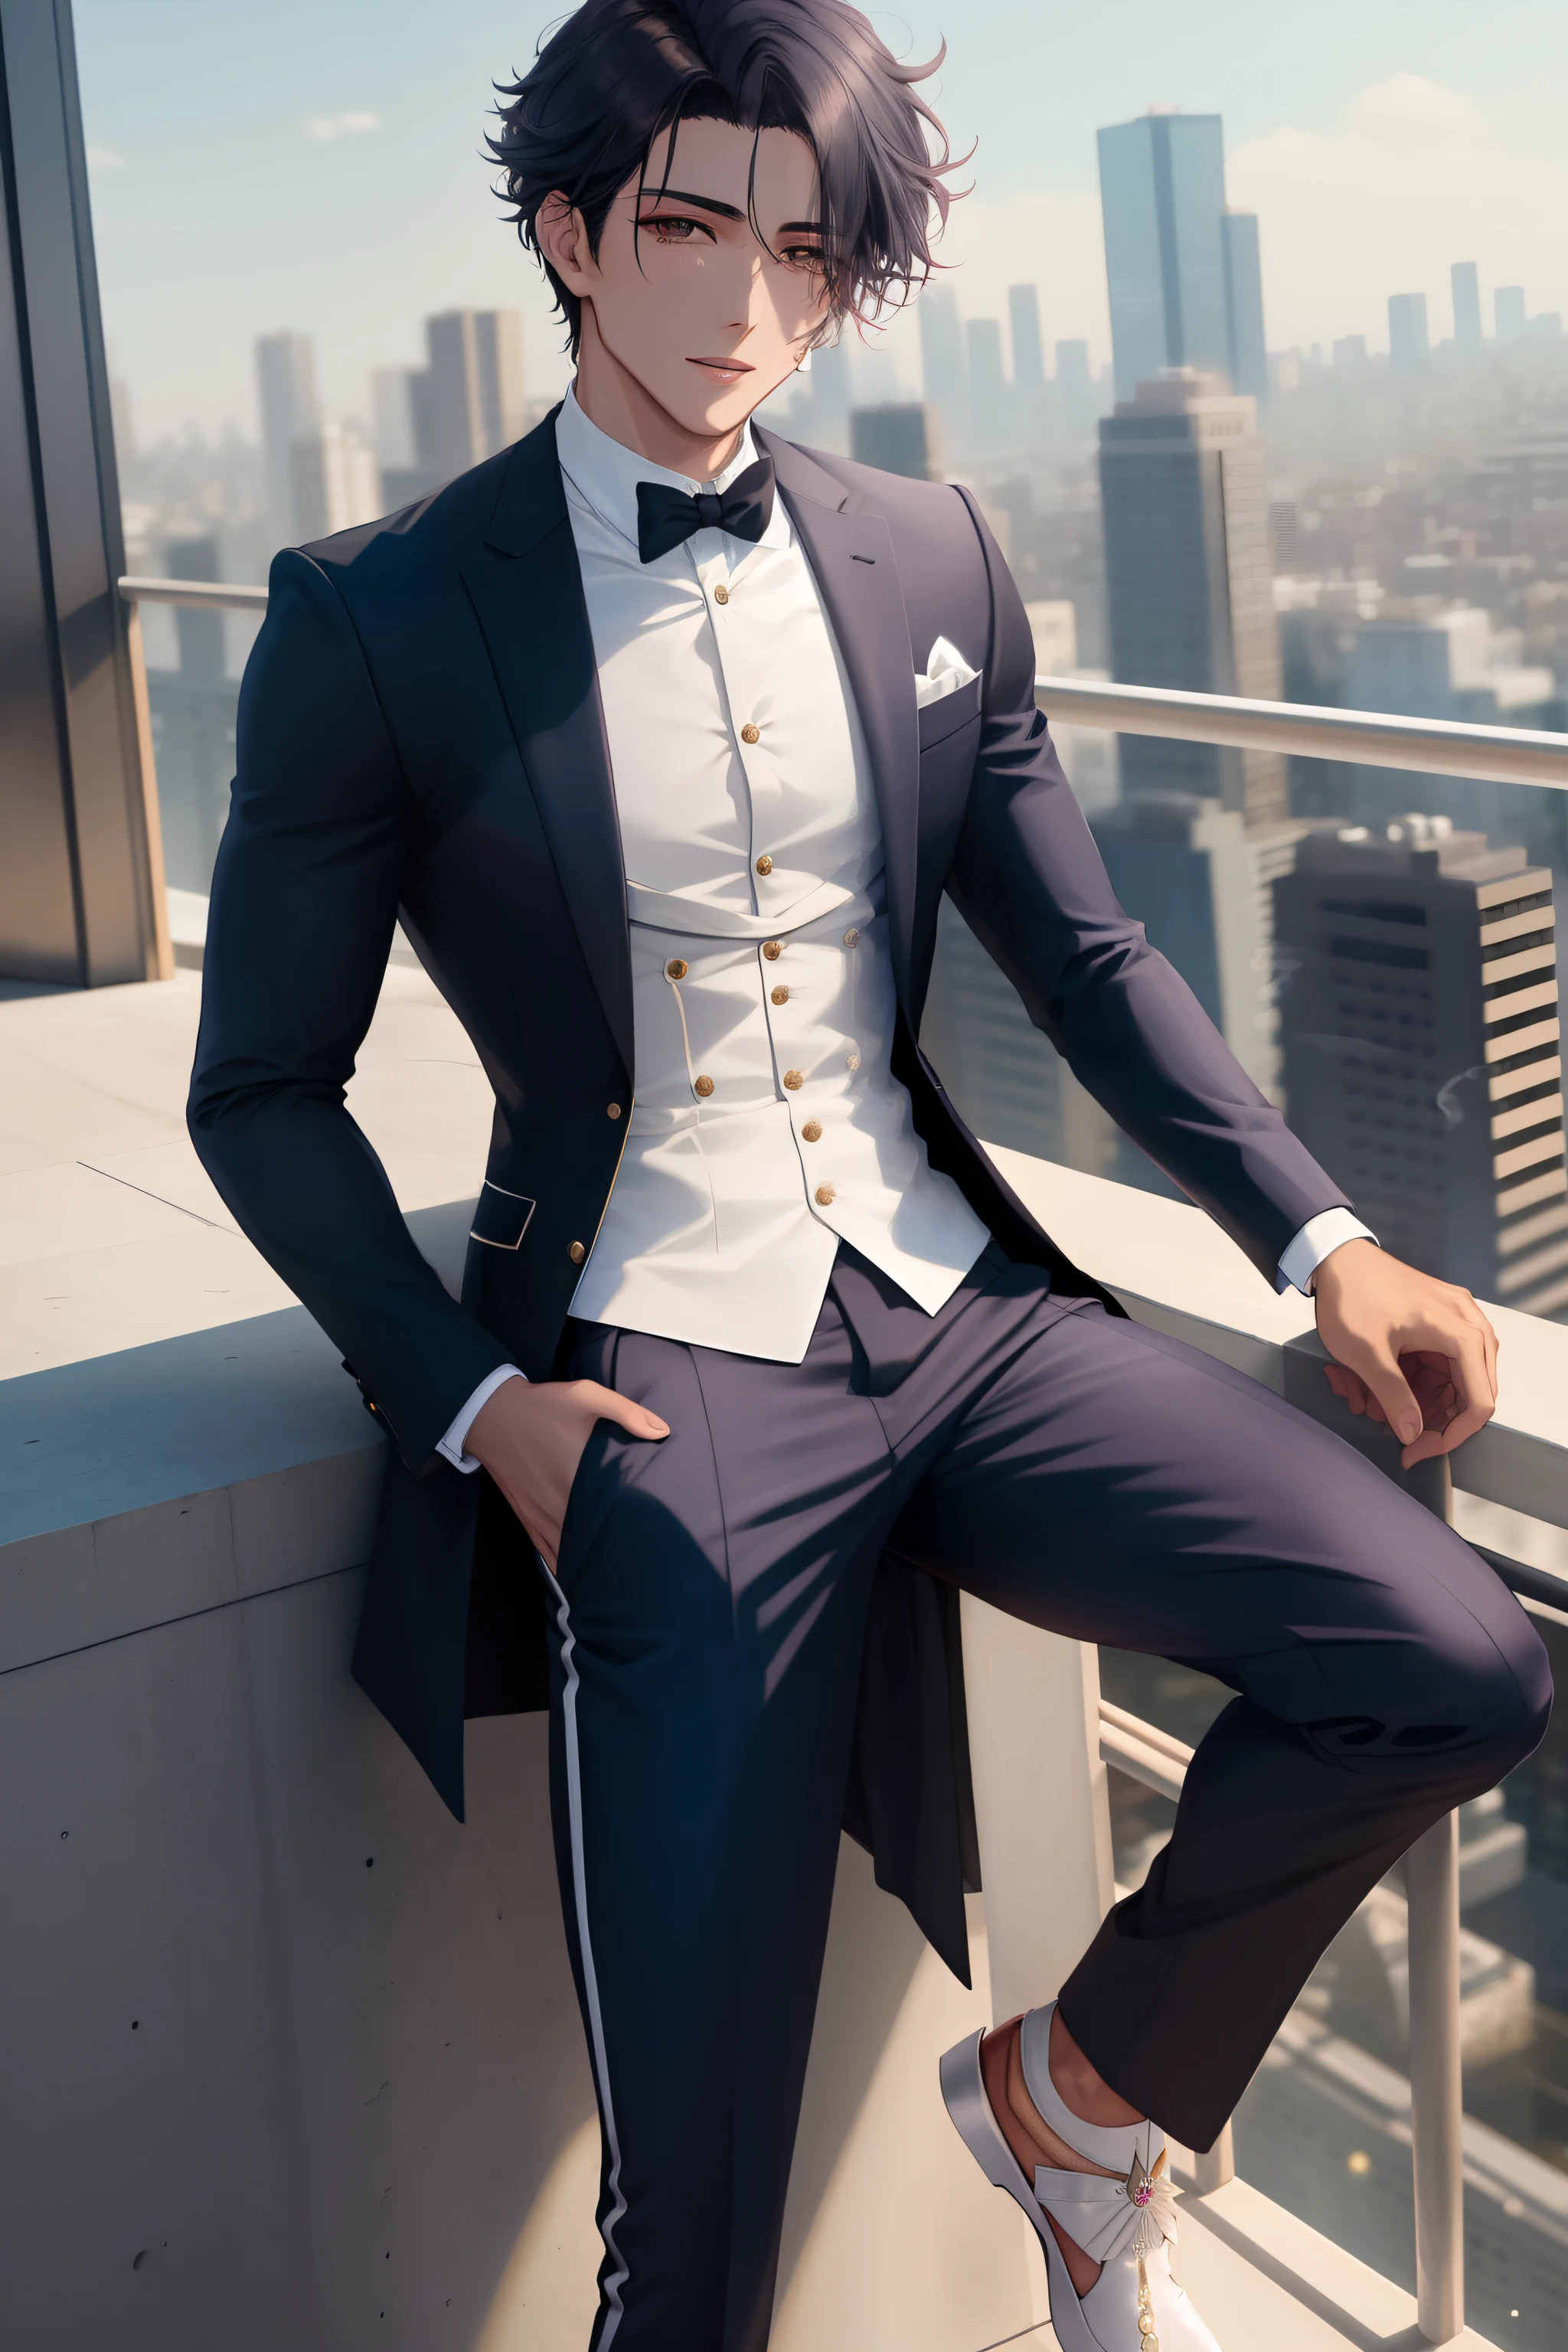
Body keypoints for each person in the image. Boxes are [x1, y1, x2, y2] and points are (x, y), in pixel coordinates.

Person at [187, 5, 1551, 2348]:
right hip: (662, 1378)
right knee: (694, 2231)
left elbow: (1091, 945)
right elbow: (259, 1091)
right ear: (569, 233)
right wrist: (468, 1404)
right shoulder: (376, 617)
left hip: (963, 1315)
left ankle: (1081, 2108)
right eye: (692, 228)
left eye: (804, 253)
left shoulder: (927, 548)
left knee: (1454, 1661)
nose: (744, 303)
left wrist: (1320, 1241)